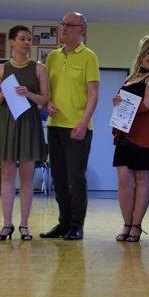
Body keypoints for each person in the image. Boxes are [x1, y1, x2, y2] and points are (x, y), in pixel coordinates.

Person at [40, 12, 100, 241]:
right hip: (54, 126)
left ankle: (77, 225)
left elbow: (93, 95)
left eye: (70, 25)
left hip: (78, 127)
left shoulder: (89, 57)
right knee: (58, 177)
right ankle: (63, 222)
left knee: (76, 177)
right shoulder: (52, 57)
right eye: (62, 24)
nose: (64, 28)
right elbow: (47, 92)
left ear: (81, 30)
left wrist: (83, 123)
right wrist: (46, 103)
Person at [0, 25, 49, 241]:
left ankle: (24, 224)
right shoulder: (0, 69)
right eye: (22, 39)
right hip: (7, 121)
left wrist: (28, 93)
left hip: (29, 121)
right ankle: (7, 224)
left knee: (26, 175)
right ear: (12, 42)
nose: (26, 43)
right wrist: (4, 95)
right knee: (7, 174)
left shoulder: (39, 68)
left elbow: (45, 99)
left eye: (29, 39)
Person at [112, 35, 149, 243]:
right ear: (141, 54)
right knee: (123, 180)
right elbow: (126, 103)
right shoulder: (131, 77)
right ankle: (126, 223)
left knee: (143, 180)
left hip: (145, 134)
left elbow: (148, 105)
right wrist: (118, 102)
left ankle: (136, 225)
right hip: (125, 132)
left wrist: (126, 104)